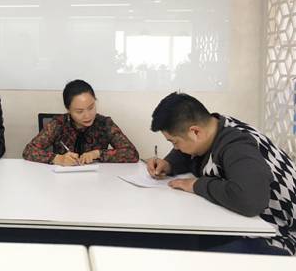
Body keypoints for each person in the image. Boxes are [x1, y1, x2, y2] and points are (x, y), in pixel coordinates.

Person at [148, 92, 296, 255]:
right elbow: (194, 154)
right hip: (247, 224)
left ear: (195, 132)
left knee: (190, 258)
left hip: (280, 235)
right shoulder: (215, 127)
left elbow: (250, 201)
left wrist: (197, 185)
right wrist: (169, 164)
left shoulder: (237, 145)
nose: (175, 148)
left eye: (175, 142)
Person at [23, 80, 139, 165]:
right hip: (63, 183)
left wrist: (97, 154)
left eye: (91, 107)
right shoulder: (58, 124)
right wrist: (58, 159)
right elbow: (29, 151)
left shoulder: (105, 123)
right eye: (79, 111)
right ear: (68, 109)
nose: (87, 115)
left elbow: (132, 154)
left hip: (97, 182)